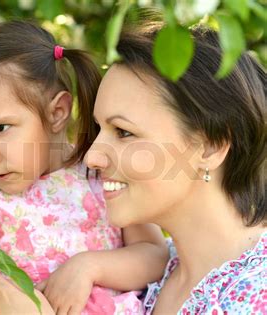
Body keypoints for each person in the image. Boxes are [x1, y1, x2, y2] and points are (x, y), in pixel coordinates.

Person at [0, 20, 168, 314]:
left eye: (0, 127)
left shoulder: (102, 175)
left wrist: (89, 266)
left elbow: (154, 256)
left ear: (57, 112)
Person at [80, 22, 266, 314]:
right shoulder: (144, 276)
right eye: (98, 128)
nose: (92, 158)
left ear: (210, 146)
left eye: (123, 132)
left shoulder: (258, 295)